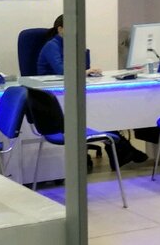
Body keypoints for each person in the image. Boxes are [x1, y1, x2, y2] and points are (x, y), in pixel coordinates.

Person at [35, 14, 147, 169]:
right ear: (60, 29)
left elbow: (83, 66)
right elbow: (62, 71)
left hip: (69, 91)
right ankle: (122, 150)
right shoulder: (52, 46)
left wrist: (84, 56)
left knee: (99, 110)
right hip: (53, 96)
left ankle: (120, 151)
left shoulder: (70, 44)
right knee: (95, 112)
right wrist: (84, 71)